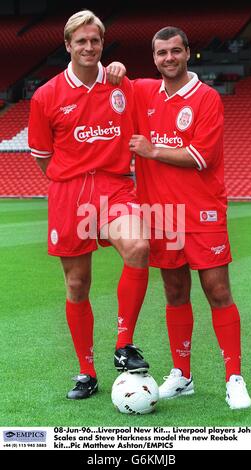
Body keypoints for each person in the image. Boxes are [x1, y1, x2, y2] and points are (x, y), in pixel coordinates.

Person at [28, 10, 150, 400]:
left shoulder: (120, 84)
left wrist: (122, 73)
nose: (88, 47)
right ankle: (86, 372)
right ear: (68, 45)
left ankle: (123, 344)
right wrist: (71, 180)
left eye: (95, 40)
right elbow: (43, 157)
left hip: (115, 188)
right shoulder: (46, 96)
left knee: (138, 246)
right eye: (80, 41)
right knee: (77, 284)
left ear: (102, 44)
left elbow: (140, 128)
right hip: (70, 194)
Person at [129, 26, 251, 410]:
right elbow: (114, 80)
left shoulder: (207, 98)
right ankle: (182, 375)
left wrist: (152, 151)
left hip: (203, 211)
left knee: (217, 291)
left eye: (175, 51)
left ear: (187, 53)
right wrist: (114, 66)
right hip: (161, 214)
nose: (168, 58)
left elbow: (202, 157)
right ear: (154, 57)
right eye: (161, 53)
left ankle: (234, 377)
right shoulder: (145, 92)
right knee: (175, 293)